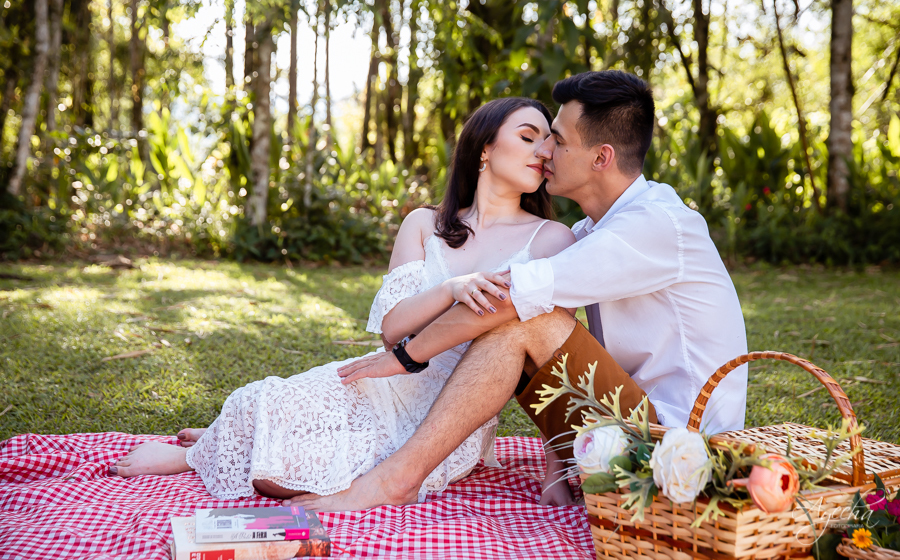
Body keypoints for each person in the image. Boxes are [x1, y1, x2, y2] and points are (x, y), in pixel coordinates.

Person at [282, 70, 749, 512]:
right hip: (620, 423)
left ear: (601, 157)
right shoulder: (592, 230)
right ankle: (544, 464)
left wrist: (406, 356)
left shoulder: (653, 225)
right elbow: (565, 351)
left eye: (558, 141)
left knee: (526, 315)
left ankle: (397, 479)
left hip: (686, 444)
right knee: (528, 316)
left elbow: (517, 302)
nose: (546, 151)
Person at [107, 97, 578, 503]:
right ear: (484, 148)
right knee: (262, 401)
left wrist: (558, 470)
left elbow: (547, 360)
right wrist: (452, 287)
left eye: (548, 142)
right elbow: (392, 330)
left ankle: (213, 448)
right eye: (528, 136)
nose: (544, 151)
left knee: (281, 475)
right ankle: (204, 449)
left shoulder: (550, 239)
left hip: (448, 416)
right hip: (381, 379)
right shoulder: (424, 224)